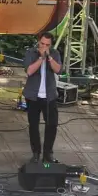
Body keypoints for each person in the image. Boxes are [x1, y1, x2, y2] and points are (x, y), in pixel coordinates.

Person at [23, 32, 62, 163]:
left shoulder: (55, 53)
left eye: (47, 45)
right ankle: (36, 153)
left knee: (52, 125)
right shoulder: (30, 52)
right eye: (42, 44)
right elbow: (29, 71)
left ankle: (48, 153)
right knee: (33, 125)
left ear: (51, 45)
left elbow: (58, 70)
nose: (44, 47)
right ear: (38, 41)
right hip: (33, 96)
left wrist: (49, 57)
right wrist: (41, 58)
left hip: (49, 96)